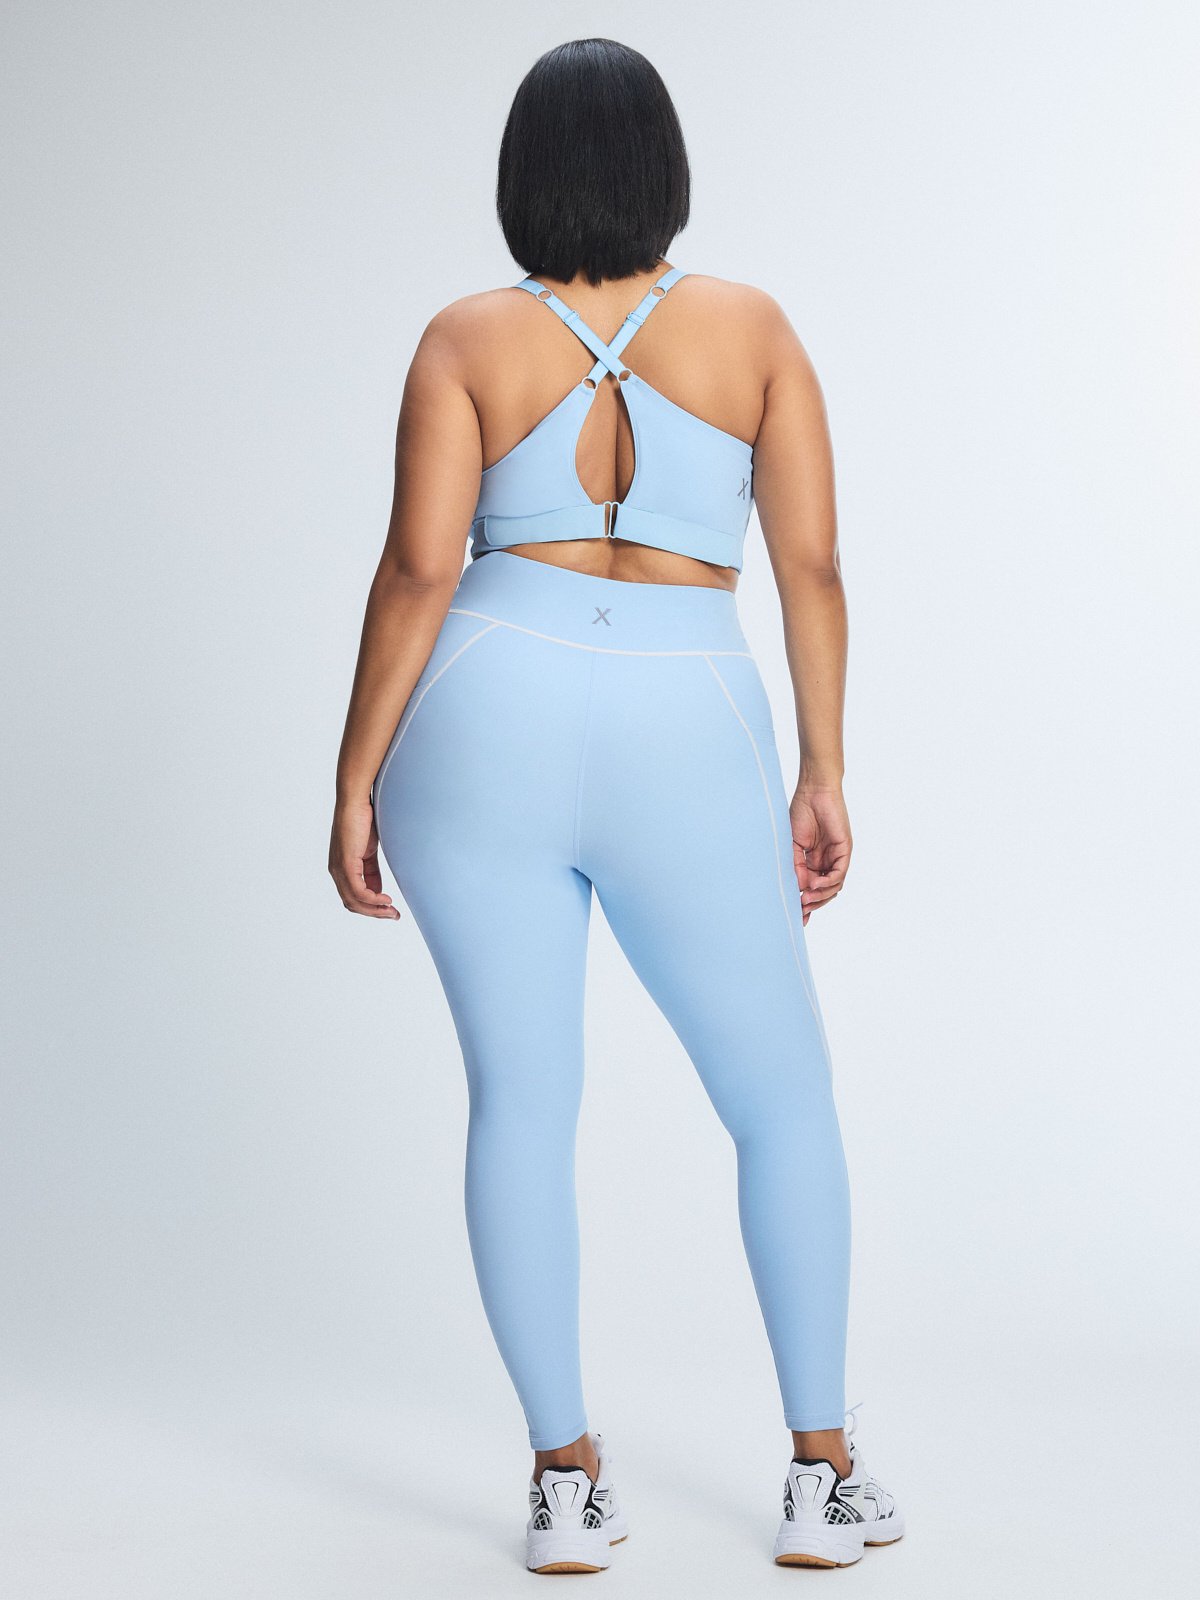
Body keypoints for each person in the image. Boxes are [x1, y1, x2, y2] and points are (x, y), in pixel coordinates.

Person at [329, 36, 904, 1575]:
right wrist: (825, 766)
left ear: (523, 174)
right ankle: (822, 1477)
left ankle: (566, 1485)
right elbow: (811, 568)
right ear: (666, 167)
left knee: (521, 1102)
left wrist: (356, 776)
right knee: (781, 1097)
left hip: (484, 711)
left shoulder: (463, 337)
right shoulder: (751, 329)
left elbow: (420, 569)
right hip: (686, 711)